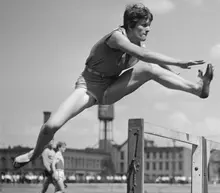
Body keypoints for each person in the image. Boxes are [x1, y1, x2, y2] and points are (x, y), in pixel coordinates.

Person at [13, 3, 214, 169]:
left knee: (149, 69)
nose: (148, 29)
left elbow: (153, 62)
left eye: (149, 25)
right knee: (51, 126)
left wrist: (176, 73)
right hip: (89, 86)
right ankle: (34, 154)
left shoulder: (139, 46)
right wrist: (178, 62)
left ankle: (197, 89)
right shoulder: (117, 37)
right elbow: (144, 55)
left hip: (111, 88)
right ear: (130, 24)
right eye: (144, 25)